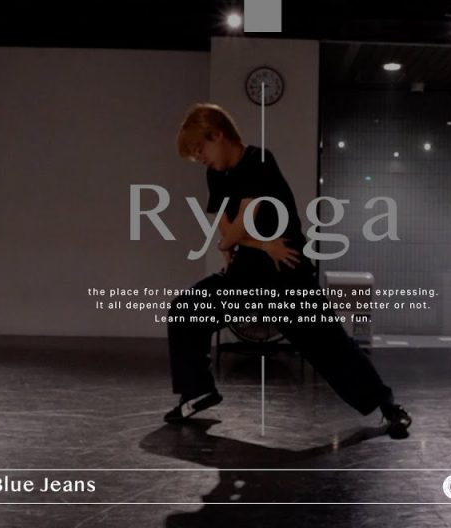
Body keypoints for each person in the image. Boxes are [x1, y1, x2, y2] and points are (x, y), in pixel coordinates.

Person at [164, 103, 412, 438]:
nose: (200, 159)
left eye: (200, 150)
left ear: (218, 135)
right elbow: (226, 234)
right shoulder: (215, 175)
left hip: (286, 269)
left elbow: (234, 232)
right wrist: (263, 245)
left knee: (329, 345)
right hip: (249, 271)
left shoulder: (258, 161)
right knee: (186, 311)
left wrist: (237, 242)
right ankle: (197, 392)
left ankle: (387, 406)